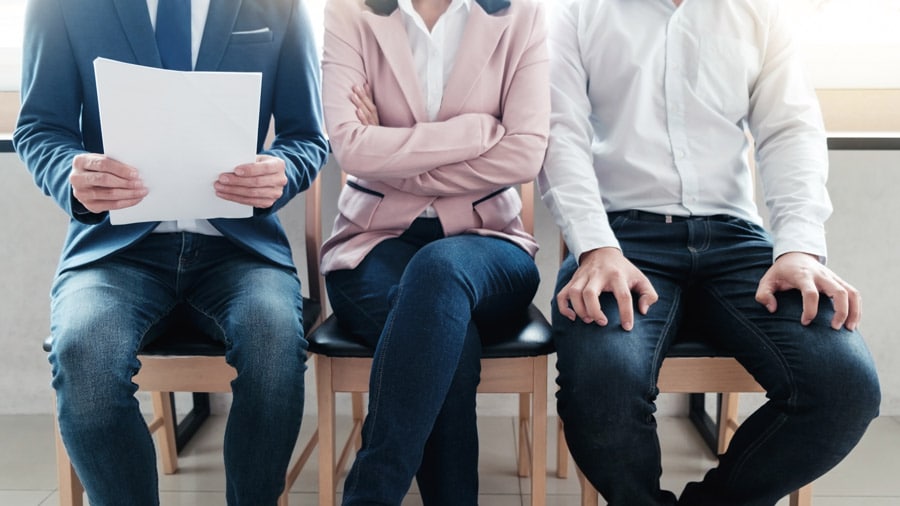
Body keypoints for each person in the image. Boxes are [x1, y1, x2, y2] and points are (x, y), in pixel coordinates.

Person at [538, 0, 881, 504]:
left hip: (738, 243)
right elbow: (559, 132)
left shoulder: (758, 12)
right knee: (601, 385)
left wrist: (800, 248)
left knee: (844, 387)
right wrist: (595, 246)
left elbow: (790, 129)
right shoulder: (578, 13)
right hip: (622, 241)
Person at [13, 0, 328, 504]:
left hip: (239, 252)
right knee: (84, 354)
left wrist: (283, 169)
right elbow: (39, 127)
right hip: (115, 252)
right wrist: (72, 174)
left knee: (272, 349)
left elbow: (307, 137)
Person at [318, 0, 549, 503]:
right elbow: (352, 149)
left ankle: (371, 492)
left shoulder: (520, 14)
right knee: (449, 341)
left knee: (438, 269)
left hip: (490, 242)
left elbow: (526, 151)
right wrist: (477, 133)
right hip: (372, 242)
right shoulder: (349, 13)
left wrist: (395, 149)